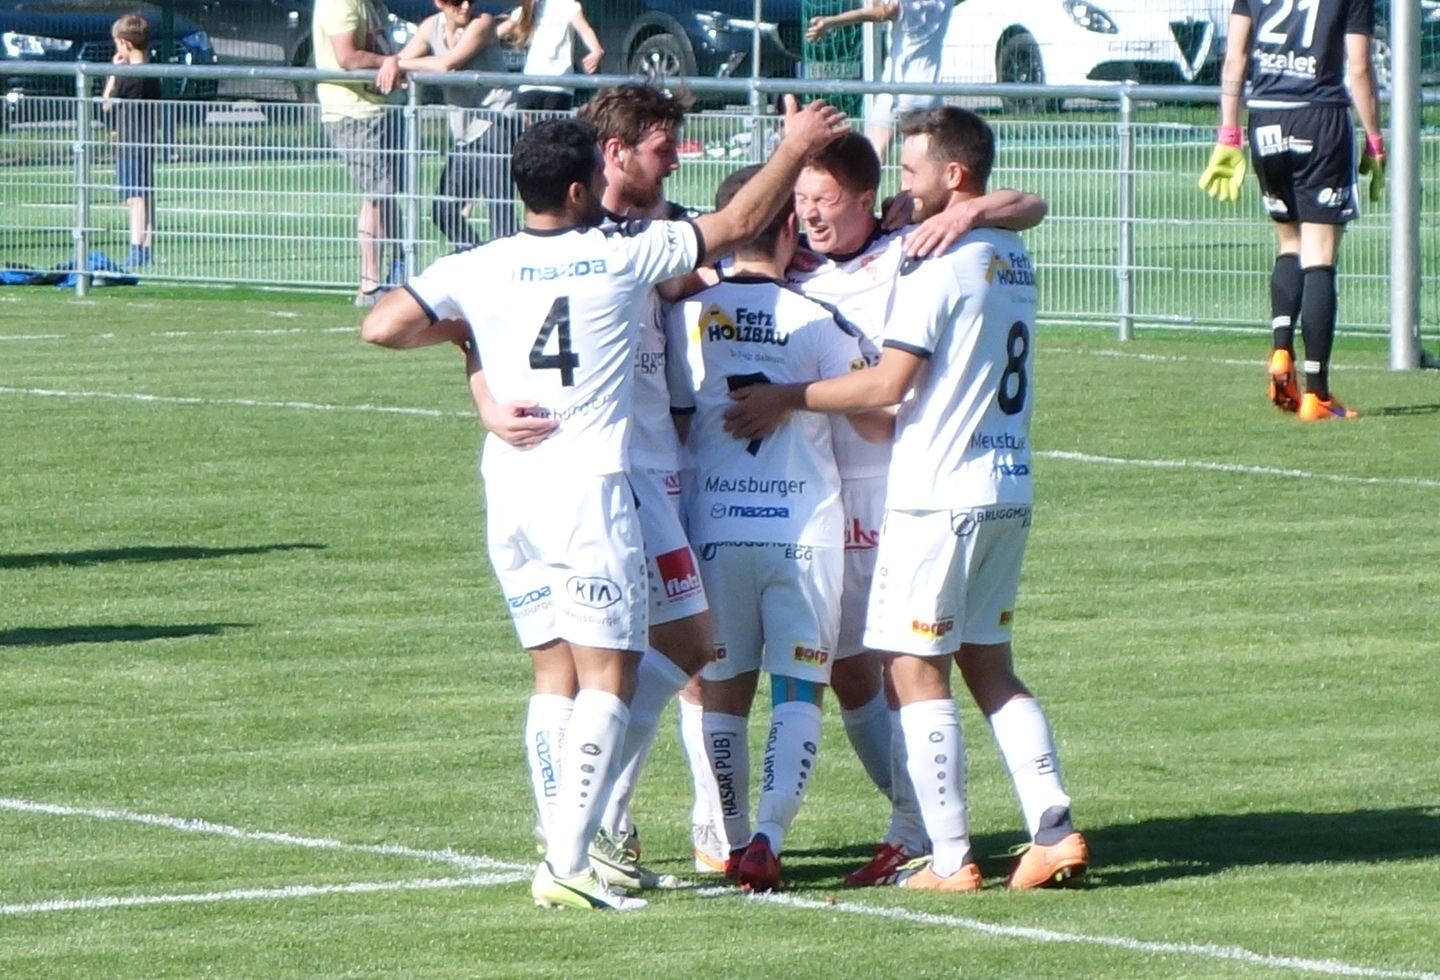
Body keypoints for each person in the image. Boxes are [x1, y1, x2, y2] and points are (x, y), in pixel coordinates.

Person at [360, 98, 850, 911]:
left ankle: (578, 839)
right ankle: (568, 854)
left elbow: (382, 325)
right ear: (585, 184)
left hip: (516, 481)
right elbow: (738, 224)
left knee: (674, 644)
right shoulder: (619, 256)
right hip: (592, 487)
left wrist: (480, 358)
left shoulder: (480, 264)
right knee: (603, 674)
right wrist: (795, 145)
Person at [726, 106, 1087, 892]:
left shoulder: (927, 255)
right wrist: (973, 210)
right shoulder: (1006, 252)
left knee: (910, 669)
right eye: (800, 200)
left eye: (913, 172)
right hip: (994, 481)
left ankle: (943, 852)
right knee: (974, 664)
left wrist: (787, 397)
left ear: (948, 178)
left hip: (923, 489)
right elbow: (1025, 205)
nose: (905, 186)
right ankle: (1050, 827)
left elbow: (888, 385)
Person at [665, 164, 892, 892]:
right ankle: (769, 835)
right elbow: (877, 419)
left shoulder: (684, 315)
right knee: (799, 688)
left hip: (715, 525)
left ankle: (728, 839)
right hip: (802, 528)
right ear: (789, 226)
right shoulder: (819, 318)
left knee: (722, 689)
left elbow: (672, 417)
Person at [1198, 0, 1383, 421]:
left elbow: (1235, 57)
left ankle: (1281, 349)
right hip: (1320, 117)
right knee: (1320, 254)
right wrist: (1374, 137)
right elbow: (1359, 68)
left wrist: (1229, 133)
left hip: (1266, 117)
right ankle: (1317, 393)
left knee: (1289, 241)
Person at [397, 0, 520, 246]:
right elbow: (402, 57)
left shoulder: (483, 23)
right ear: (439, 3)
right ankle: (475, 257)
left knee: (501, 215)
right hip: (464, 132)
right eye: (456, 1)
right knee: (443, 211)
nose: (465, 6)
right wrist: (394, 63)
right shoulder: (431, 26)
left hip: (496, 124)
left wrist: (397, 65)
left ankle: (508, 268)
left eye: (470, 0)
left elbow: (447, 64)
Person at [313, 0, 407, 306]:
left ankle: (399, 272)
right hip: (353, 113)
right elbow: (348, 57)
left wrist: (395, 62)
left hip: (382, 108)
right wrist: (388, 62)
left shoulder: (373, 4)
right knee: (376, 194)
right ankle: (369, 284)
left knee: (388, 193)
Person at [806, 0, 952, 161]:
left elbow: (882, 12)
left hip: (897, 93)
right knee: (921, 163)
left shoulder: (905, 5)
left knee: (872, 157)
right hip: (930, 95)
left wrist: (830, 21)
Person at [102, 13, 159, 270]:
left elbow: (106, 104)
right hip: (146, 140)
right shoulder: (152, 72)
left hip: (130, 142)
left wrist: (114, 73)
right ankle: (146, 247)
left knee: (135, 198)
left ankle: (137, 248)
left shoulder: (128, 76)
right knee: (145, 195)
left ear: (124, 43)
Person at [510, 0, 604, 113]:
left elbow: (585, 31)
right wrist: (596, 51)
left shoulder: (567, 6)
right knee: (550, 124)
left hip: (547, 84)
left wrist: (596, 51)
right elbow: (586, 30)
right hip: (544, 84)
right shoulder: (535, 5)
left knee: (535, 123)